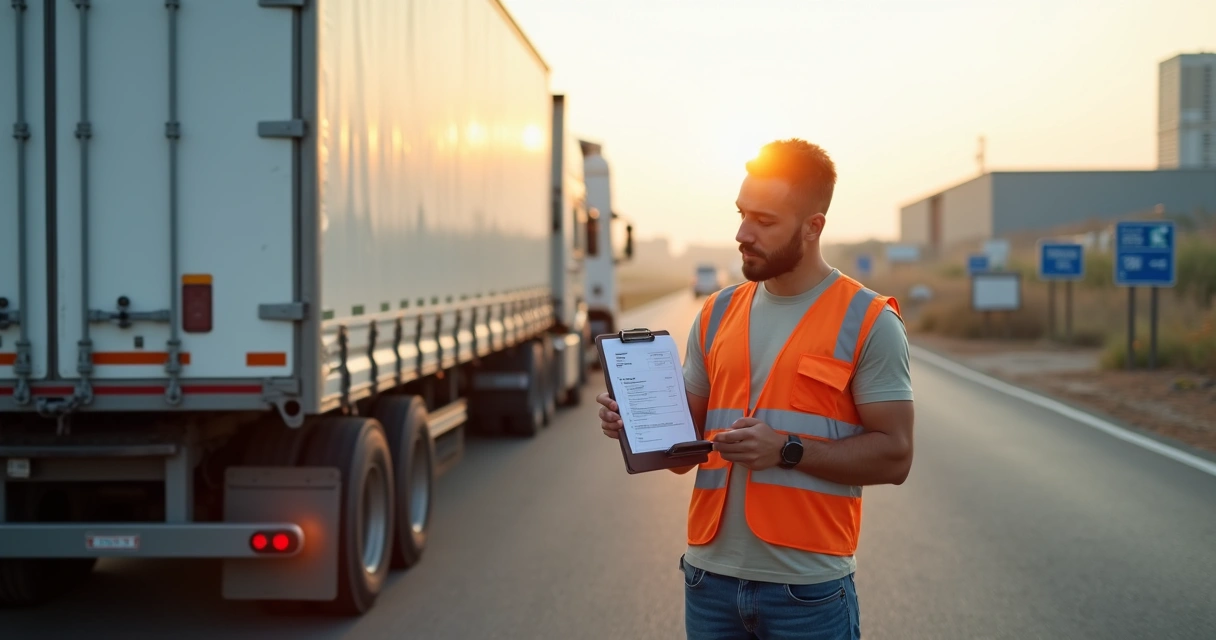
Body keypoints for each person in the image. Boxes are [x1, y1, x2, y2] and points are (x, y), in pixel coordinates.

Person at [597, 139, 914, 640]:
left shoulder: (869, 320)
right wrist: (635, 426)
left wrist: (786, 450)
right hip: (708, 581)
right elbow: (682, 454)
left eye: (764, 221)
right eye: (742, 214)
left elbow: (895, 457)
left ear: (814, 227)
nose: (743, 233)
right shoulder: (718, 312)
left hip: (806, 592)